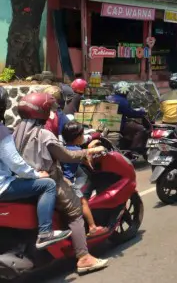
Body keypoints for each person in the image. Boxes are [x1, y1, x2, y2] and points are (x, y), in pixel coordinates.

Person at [13, 92, 108, 274]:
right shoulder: (43, 134)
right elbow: (66, 156)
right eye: (49, 109)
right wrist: (87, 152)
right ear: (43, 111)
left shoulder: (17, 130)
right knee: (75, 211)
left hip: (24, 179)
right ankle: (84, 257)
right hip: (48, 178)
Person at [0, 88, 71, 249]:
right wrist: (35, 174)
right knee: (48, 185)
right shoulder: (2, 131)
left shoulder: (16, 128)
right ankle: (45, 232)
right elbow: (15, 162)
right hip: (2, 187)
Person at [60, 121, 108, 238]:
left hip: (61, 180)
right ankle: (93, 227)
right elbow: (89, 164)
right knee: (83, 202)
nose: (83, 137)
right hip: (69, 182)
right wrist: (92, 148)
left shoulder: (63, 148)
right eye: (82, 135)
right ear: (77, 138)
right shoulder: (77, 150)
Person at [107, 82, 148, 153]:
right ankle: (133, 150)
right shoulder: (123, 101)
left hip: (107, 123)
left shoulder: (109, 98)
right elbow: (130, 114)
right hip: (119, 125)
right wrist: (141, 112)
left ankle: (126, 143)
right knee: (141, 129)